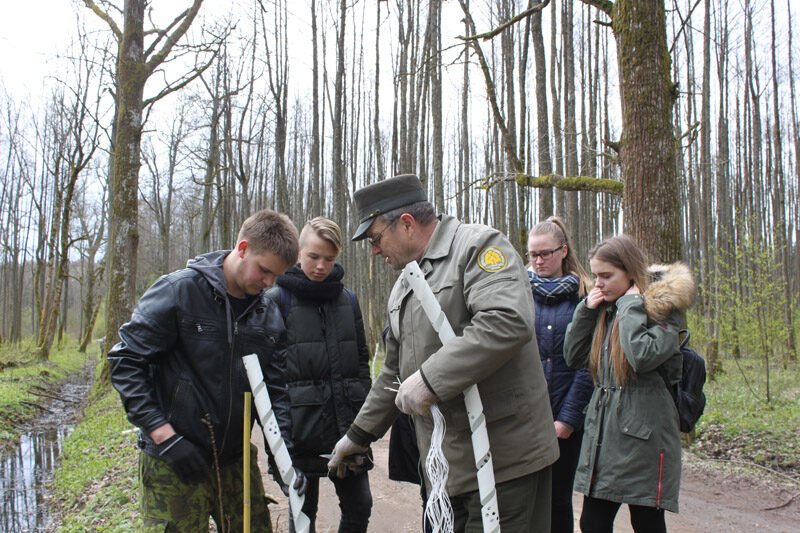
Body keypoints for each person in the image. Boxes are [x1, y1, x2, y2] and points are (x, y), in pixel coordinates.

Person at [327, 174, 559, 532]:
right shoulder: (404, 284)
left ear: (406, 224)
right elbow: (393, 376)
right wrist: (357, 436)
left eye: (375, 238)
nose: (373, 250)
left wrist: (431, 379)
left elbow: (507, 321)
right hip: (447, 471)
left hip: (504, 464)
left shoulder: (477, 247)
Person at [107, 209, 304, 532]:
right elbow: (125, 362)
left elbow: (275, 393)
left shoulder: (268, 314)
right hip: (172, 460)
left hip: (236, 461)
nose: (269, 282)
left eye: (277, 277)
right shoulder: (178, 292)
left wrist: (285, 462)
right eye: (264, 270)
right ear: (242, 249)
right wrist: (164, 436)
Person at [563, 235, 695, 533]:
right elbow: (572, 356)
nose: (599, 283)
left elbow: (641, 357)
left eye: (607, 276)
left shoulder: (663, 309)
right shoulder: (604, 309)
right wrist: (586, 310)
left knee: (646, 521)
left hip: (646, 435)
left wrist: (632, 306)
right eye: (596, 275)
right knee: (592, 522)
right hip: (604, 433)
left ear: (631, 273)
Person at [264, 216, 373, 533]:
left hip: (345, 427)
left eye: (329, 258)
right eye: (313, 256)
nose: (321, 266)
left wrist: (361, 417)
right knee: (303, 512)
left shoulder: (348, 300)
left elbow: (361, 361)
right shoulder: (276, 300)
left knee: (360, 506)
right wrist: (279, 442)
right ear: (298, 252)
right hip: (300, 432)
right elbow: (268, 376)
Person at [527, 216, 594, 533]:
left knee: (557, 502)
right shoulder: (518, 293)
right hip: (523, 417)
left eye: (546, 253)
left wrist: (567, 420)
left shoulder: (586, 297)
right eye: (533, 255)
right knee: (521, 502)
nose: (539, 261)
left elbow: (589, 365)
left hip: (564, 421)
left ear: (563, 250)